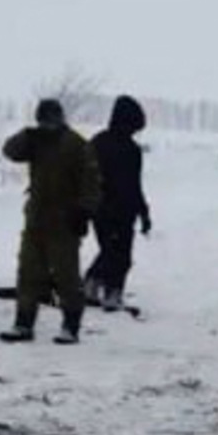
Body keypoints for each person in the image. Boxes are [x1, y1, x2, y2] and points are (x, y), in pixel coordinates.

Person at [0, 99, 102, 344]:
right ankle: (23, 324)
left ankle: (71, 325)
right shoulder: (35, 142)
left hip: (65, 221)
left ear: (59, 118)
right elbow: (10, 151)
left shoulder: (76, 144)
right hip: (36, 220)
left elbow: (92, 183)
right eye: (42, 120)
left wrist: (84, 212)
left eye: (50, 119)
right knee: (27, 273)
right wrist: (27, 135)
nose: (47, 124)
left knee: (67, 276)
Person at [85, 95, 152, 311]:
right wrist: (142, 211)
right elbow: (133, 184)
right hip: (113, 208)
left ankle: (95, 287)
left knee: (111, 251)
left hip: (109, 208)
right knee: (118, 254)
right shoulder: (129, 150)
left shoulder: (98, 142)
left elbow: (134, 183)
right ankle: (107, 291)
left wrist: (143, 211)